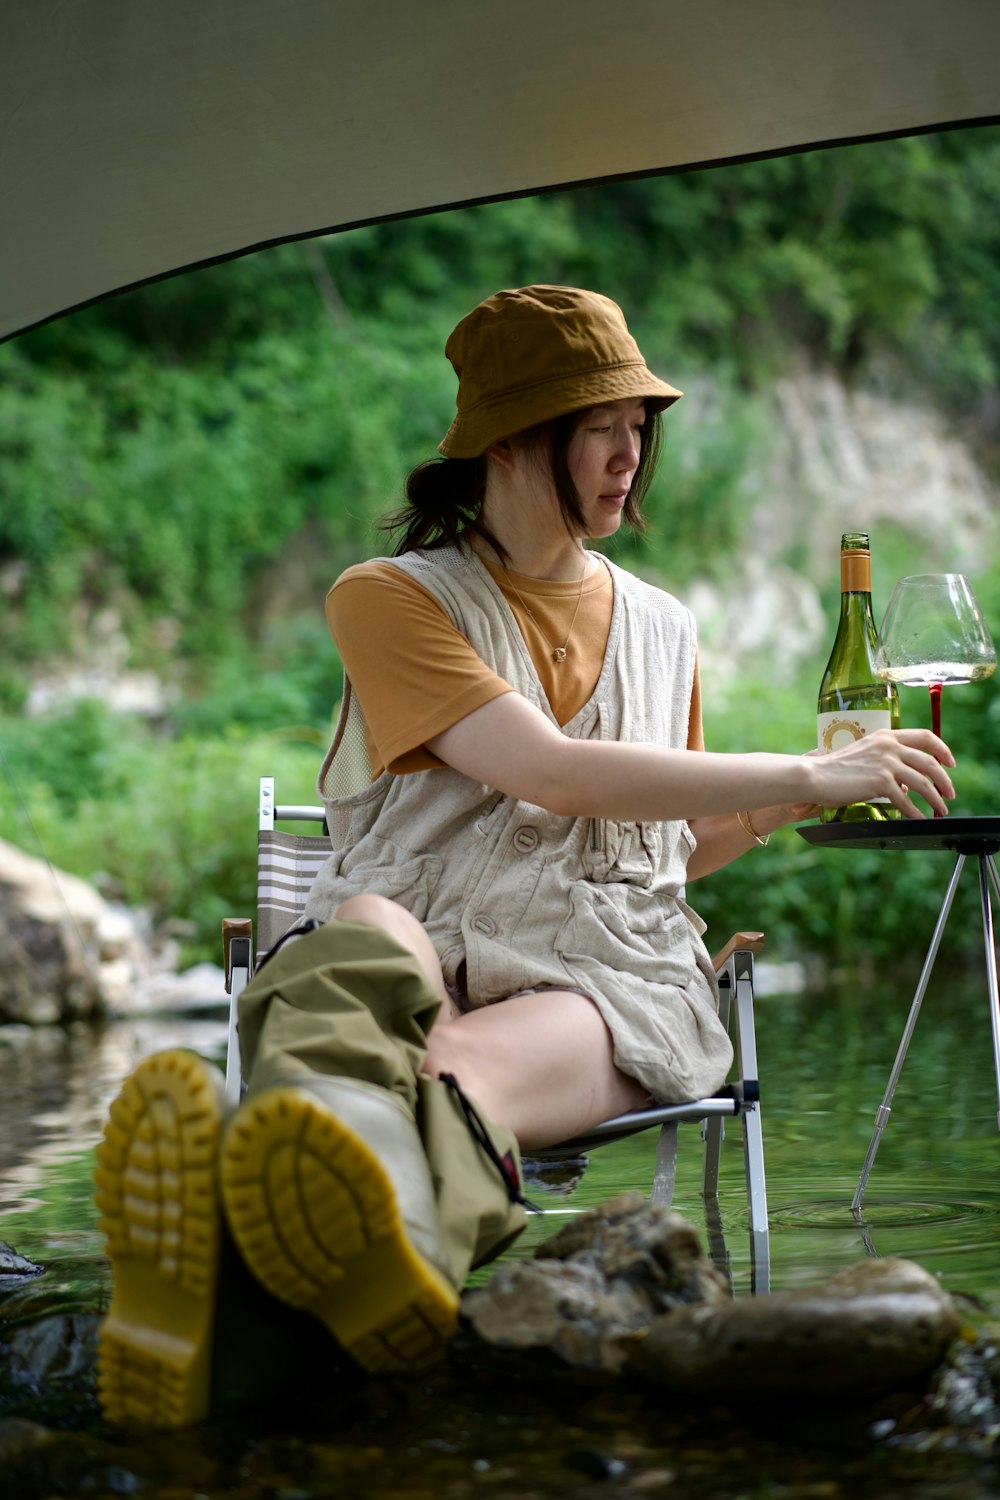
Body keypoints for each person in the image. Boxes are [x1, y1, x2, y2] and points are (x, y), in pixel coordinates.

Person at [93, 285, 956, 1431]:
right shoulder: (390, 599)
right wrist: (799, 773)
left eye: (639, 426)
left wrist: (782, 805)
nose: (628, 453)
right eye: (598, 425)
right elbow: (546, 769)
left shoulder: (664, 628)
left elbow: (671, 853)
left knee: (444, 1067)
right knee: (365, 943)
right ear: (506, 439)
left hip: (605, 971)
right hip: (420, 921)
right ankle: (346, 1244)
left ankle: (223, 1281)